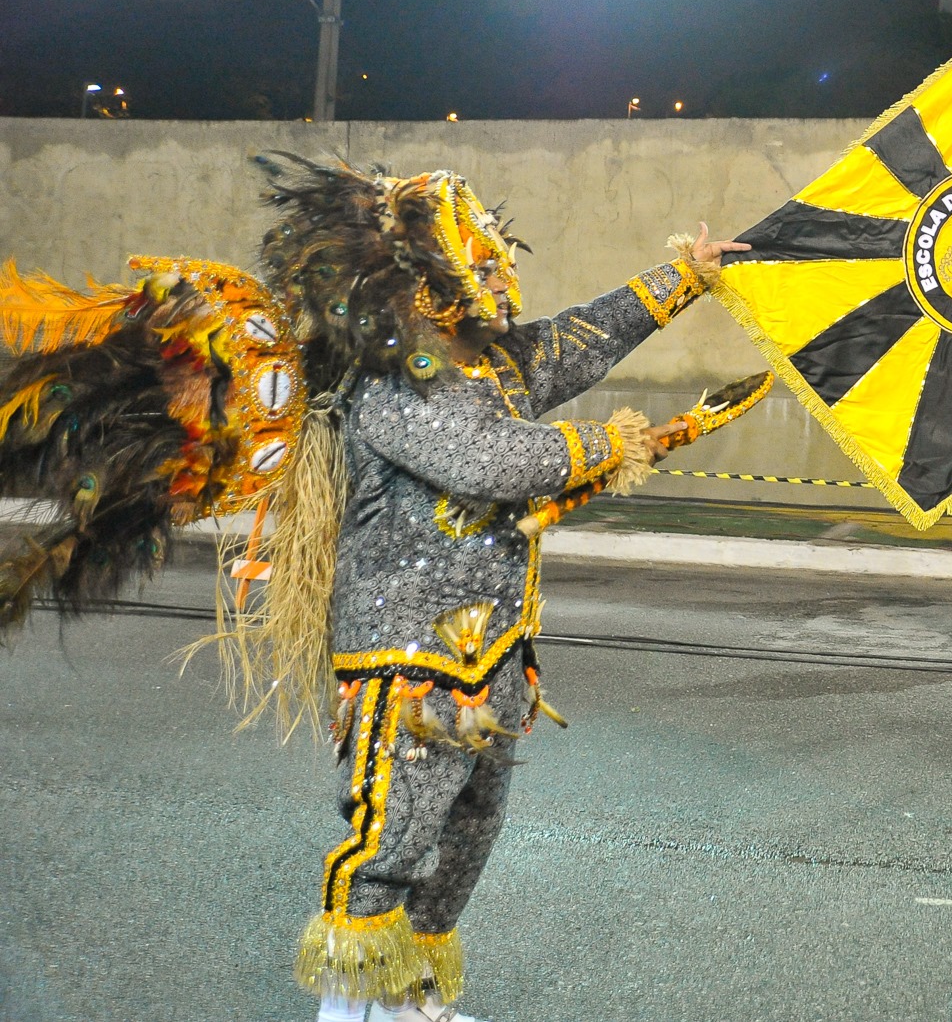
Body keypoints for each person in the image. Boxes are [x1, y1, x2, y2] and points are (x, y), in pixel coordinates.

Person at [0, 155, 769, 1022]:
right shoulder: (397, 381)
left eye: (501, 258)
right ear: (431, 276)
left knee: (470, 834)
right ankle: (345, 1010)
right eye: (482, 264)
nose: (503, 275)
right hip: (407, 655)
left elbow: (584, 339)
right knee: (393, 838)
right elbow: (491, 461)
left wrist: (687, 277)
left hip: (495, 653)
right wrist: (618, 440)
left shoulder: (499, 364)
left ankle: (409, 1000)